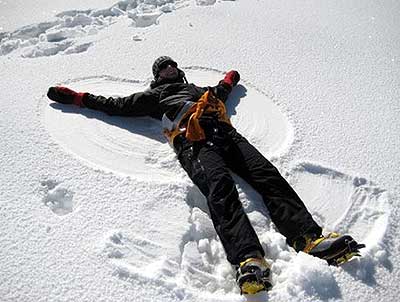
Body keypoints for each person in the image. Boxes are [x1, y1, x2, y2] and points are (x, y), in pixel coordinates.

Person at [47, 56, 364, 295]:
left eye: (171, 66)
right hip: (193, 139)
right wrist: (77, 98)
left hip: (228, 135)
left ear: (179, 71)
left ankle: (309, 238)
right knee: (220, 189)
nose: (168, 70)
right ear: (157, 77)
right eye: (163, 69)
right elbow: (114, 105)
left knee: (268, 176)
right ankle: (248, 260)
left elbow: (222, 92)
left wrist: (228, 80)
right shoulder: (153, 96)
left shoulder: (198, 89)